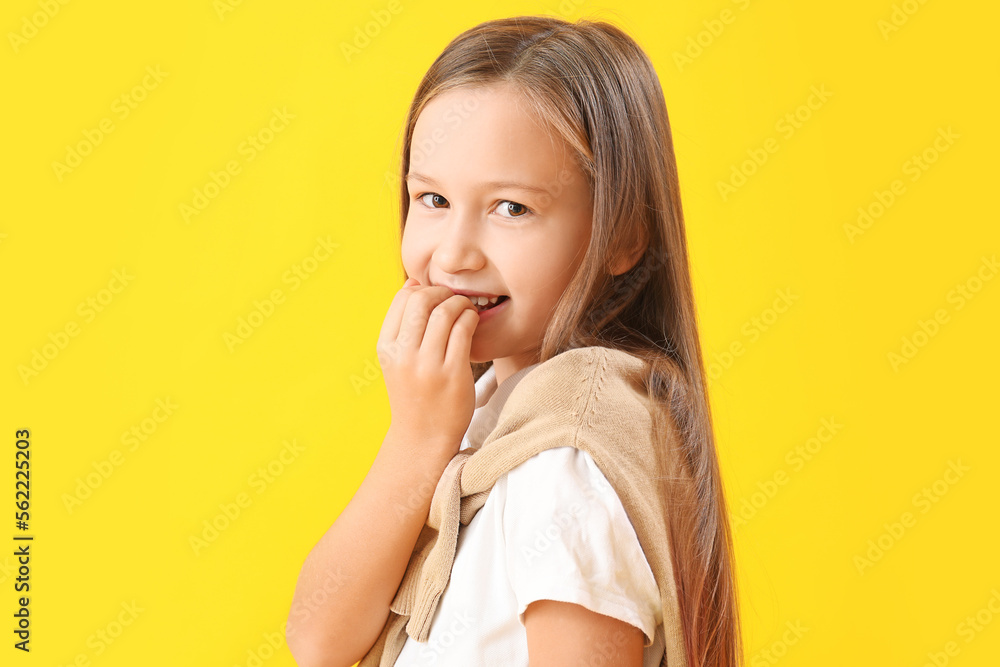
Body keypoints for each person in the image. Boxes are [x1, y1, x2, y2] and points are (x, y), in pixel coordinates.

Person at [286, 15, 742, 667]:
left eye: (512, 208)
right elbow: (317, 639)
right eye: (433, 198)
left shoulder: (566, 457)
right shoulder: (491, 413)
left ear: (624, 237)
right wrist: (416, 438)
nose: (454, 253)